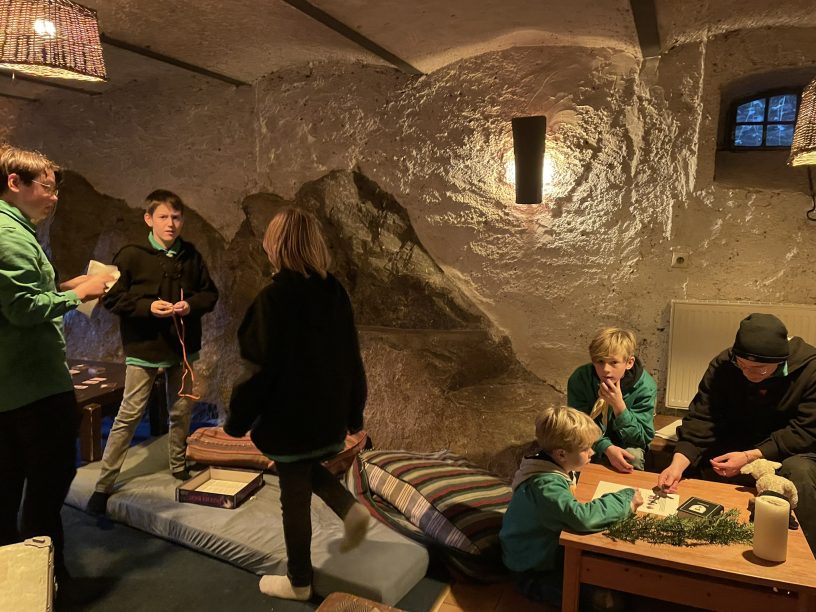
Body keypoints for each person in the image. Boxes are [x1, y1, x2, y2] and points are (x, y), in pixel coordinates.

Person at [225, 206, 369, 602]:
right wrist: (354, 411)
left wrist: (237, 420)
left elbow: (257, 370)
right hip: (328, 414)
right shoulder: (334, 291)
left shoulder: (272, 299)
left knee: (293, 495)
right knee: (301, 468)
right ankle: (349, 508)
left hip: (288, 418)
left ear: (276, 245)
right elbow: (351, 356)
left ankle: (299, 581)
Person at [0, 145, 112, 581]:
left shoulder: (16, 229)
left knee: (9, 486)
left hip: (14, 386)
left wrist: (65, 287)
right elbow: (24, 309)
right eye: (46, 187)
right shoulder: (8, 236)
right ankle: (47, 582)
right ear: (15, 182)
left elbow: (17, 297)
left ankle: (16, 583)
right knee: (46, 487)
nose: (54, 197)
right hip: (32, 387)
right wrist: (79, 294)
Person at [86, 190, 218, 515]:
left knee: (181, 410)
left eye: (176, 217)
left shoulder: (190, 255)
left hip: (182, 348)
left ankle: (178, 465)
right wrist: (148, 307)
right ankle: (104, 484)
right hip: (143, 347)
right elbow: (112, 297)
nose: (170, 223)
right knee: (129, 413)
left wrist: (189, 305)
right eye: (163, 217)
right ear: (149, 219)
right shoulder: (131, 255)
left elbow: (209, 294)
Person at [657, 313, 816, 554]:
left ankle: (802, 556)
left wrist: (751, 456)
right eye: (742, 366)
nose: (748, 374)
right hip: (740, 443)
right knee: (690, 463)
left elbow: (804, 430)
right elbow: (702, 418)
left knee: (799, 473)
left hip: (789, 449)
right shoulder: (725, 364)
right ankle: (698, 548)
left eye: (759, 369)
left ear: (780, 361)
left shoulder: (810, 370)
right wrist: (677, 464)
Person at [499, 405, 643, 608]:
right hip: (531, 569)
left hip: (546, 552)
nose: (592, 451)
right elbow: (581, 518)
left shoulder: (549, 464)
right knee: (606, 602)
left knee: (614, 577)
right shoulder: (545, 486)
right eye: (585, 449)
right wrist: (626, 500)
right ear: (561, 454)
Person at [567, 327, 657, 472]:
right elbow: (578, 425)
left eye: (614, 362)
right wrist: (606, 447)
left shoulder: (645, 387)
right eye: (600, 361)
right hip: (590, 439)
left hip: (625, 441)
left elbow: (642, 438)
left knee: (632, 456)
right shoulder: (581, 379)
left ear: (629, 362)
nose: (606, 369)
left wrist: (619, 406)